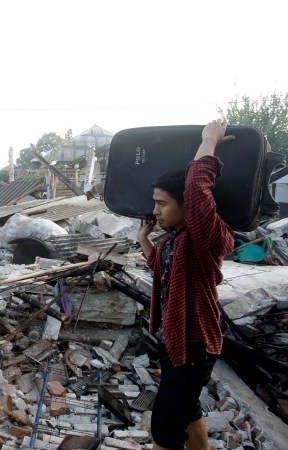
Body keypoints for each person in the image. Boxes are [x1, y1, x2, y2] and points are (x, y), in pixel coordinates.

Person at [136, 119, 235, 450]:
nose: (155, 210)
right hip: (176, 343)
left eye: (162, 203)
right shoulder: (173, 240)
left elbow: (196, 187)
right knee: (188, 410)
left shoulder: (204, 238)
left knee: (165, 428)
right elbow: (159, 268)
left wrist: (209, 139)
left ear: (187, 206)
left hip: (194, 347)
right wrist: (144, 239)